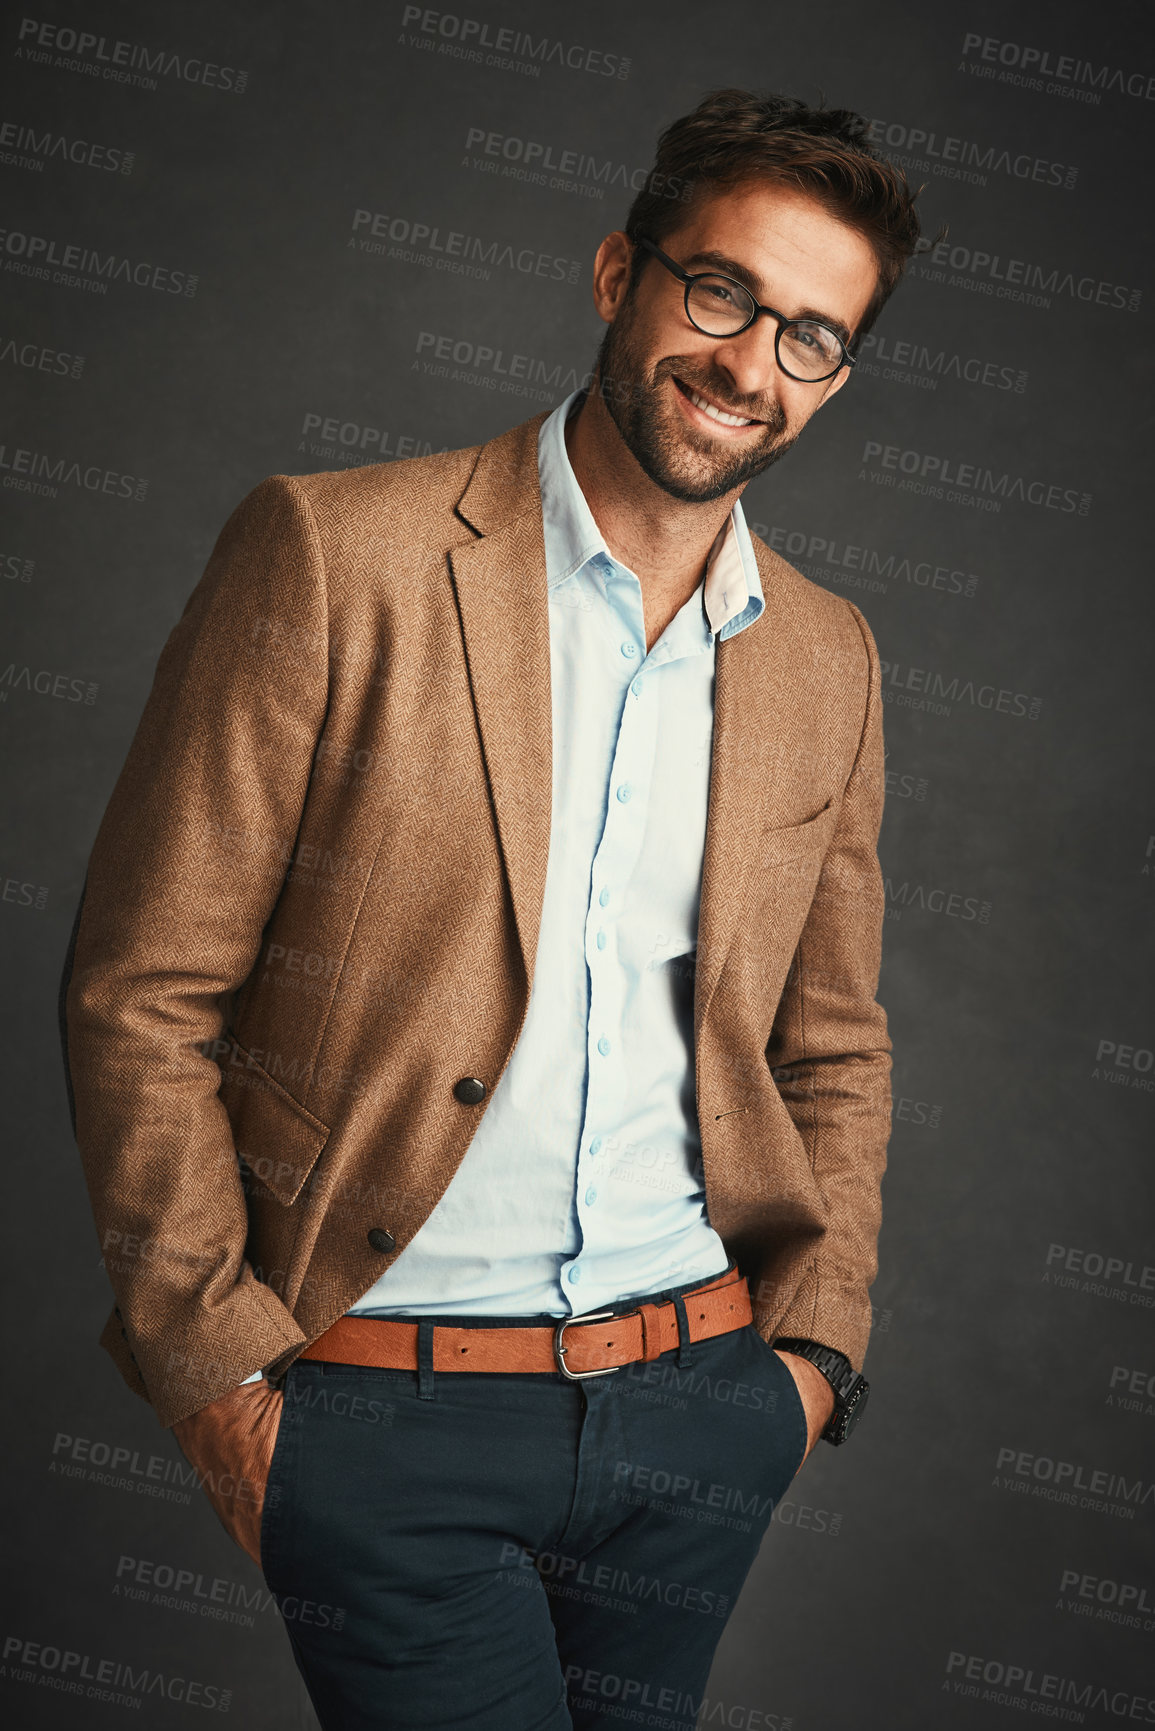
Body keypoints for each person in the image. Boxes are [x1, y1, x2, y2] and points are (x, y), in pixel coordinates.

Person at [61, 87, 921, 1731]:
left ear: (838, 375)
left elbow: (834, 1047)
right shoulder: (335, 553)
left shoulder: (832, 658)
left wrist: (808, 1365)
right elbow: (141, 990)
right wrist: (222, 1380)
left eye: (812, 336)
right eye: (722, 291)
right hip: (385, 1419)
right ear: (620, 271)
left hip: (699, 1415)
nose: (750, 364)